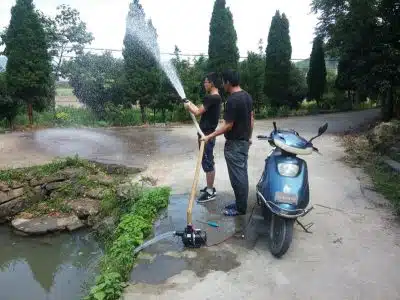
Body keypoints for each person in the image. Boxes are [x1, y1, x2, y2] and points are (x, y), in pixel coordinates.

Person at [201, 69, 254, 216]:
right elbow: (251, 119)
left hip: (235, 144)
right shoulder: (247, 96)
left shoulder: (232, 100)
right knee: (242, 174)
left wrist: (209, 136)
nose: (222, 85)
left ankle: (240, 208)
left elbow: (228, 126)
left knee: (237, 177)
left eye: (224, 82)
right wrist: (249, 137)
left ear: (228, 82)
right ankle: (240, 203)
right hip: (243, 142)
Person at [184, 72, 222, 203]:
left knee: (207, 161)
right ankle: (210, 187)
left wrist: (188, 106)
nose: (204, 84)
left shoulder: (211, 98)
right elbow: (199, 110)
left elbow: (196, 112)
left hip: (206, 134)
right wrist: (189, 103)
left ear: (211, 83)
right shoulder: (215, 97)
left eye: (206, 82)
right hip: (206, 133)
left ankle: (210, 191)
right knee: (207, 160)